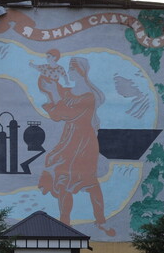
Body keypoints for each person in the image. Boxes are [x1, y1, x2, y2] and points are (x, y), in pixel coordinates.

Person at [37, 56, 115, 237]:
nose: (68, 72)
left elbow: (66, 113)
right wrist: (49, 87)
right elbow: (57, 114)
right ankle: (64, 223)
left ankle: (101, 221)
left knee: (90, 182)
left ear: (80, 72)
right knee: (62, 179)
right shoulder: (71, 92)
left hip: (83, 142)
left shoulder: (88, 96)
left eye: (71, 69)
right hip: (69, 139)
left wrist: (55, 93)